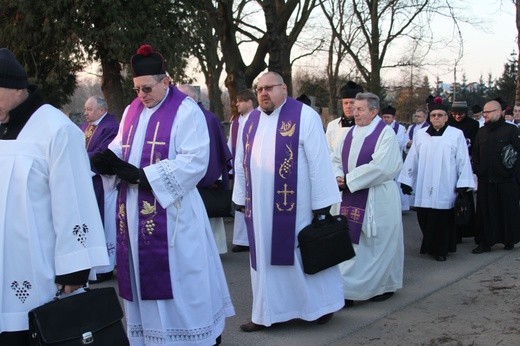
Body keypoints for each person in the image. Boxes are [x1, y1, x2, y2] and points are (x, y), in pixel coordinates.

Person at [91, 44, 234, 345]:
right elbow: (122, 146)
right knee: (140, 275)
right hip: (133, 210)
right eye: (137, 89)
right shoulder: (132, 110)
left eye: (147, 88)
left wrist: (144, 176)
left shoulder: (186, 110)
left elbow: (195, 160)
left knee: (183, 278)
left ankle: (192, 336)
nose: (142, 95)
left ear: (165, 81)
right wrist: (107, 159)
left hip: (175, 212)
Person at [0, 48, 109, 344]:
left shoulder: (57, 129)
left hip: (37, 266)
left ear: (15, 88)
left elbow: (73, 200)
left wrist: (75, 272)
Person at [232, 71, 344, 332]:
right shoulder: (251, 121)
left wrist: (322, 203)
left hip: (297, 206)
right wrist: (239, 197)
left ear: (284, 88)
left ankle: (319, 308)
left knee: (301, 257)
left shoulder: (304, 115)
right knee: (263, 262)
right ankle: (265, 313)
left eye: (269, 88)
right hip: (259, 208)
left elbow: (319, 162)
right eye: (259, 89)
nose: (263, 93)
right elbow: (241, 161)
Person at [331, 92, 404, 304]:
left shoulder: (385, 134)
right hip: (348, 194)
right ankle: (350, 290)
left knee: (378, 243)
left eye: (360, 109)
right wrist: (338, 175)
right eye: (354, 108)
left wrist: (349, 179)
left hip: (376, 197)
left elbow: (382, 166)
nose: (355, 112)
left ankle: (383, 285)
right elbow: (334, 157)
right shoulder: (349, 133)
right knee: (353, 243)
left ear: (374, 112)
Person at [398, 98, 475, 261]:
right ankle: (430, 245)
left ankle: (441, 250)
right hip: (424, 184)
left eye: (440, 115)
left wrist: (463, 185)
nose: (437, 118)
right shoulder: (420, 135)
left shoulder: (456, 135)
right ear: (429, 118)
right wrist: (406, 180)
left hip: (446, 185)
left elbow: (463, 160)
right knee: (425, 216)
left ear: (447, 117)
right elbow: (412, 158)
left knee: (442, 219)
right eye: (433, 115)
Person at [177, 84, 233, 255]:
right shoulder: (181, 117)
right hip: (187, 177)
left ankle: (213, 250)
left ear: (193, 98)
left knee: (210, 215)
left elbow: (215, 150)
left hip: (207, 176)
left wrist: (213, 177)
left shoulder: (208, 118)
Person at [471, 100, 520, 254]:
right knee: (486, 213)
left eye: (488, 112)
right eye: (484, 112)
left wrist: (511, 173)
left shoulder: (511, 131)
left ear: (498, 112)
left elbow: (517, 155)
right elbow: (475, 153)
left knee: (507, 212)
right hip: (486, 181)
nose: (484, 115)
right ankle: (485, 242)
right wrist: (478, 170)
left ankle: (508, 239)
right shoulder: (481, 132)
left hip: (506, 180)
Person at [80, 96, 119, 282]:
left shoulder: (110, 127)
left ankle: (105, 266)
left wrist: (79, 159)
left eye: (89, 109)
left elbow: (105, 153)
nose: (85, 113)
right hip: (88, 181)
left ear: (101, 110)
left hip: (104, 182)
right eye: (85, 109)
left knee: (105, 222)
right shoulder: (85, 127)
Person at [325, 81, 364, 215]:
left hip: (359, 180)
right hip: (337, 180)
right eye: (345, 103)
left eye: (352, 103)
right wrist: (337, 175)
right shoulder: (333, 126)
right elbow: (328, 152)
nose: (348, 106)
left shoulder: (365, 127)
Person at [228, 89, 257, 252]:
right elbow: (230, 145)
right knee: (240, 202)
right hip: (240, 167)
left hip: (253, 168)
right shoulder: (235, 122)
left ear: (250, 102)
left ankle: (255, 237)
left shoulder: (259, 118)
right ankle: (241, 239)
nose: (237, 103)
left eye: (240, 100)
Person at [446, 100, 479, 243]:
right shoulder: (448, 123)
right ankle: (452, 231)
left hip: (466, 163)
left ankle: (465, 229)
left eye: (461, 114)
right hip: (449, 165)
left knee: (464, 198)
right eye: (454, 113)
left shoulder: (473, 125)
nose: (457, 116)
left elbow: (476, 145)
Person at [382, 105, 409, 211]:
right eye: (384, 117)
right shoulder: (379, 127)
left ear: (393, 117)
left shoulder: (400, 128)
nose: (386, 119)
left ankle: (399, 206)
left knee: (397, 183)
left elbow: (399, 142)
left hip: (395, 159)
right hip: (383, 159)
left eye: (388, 117)